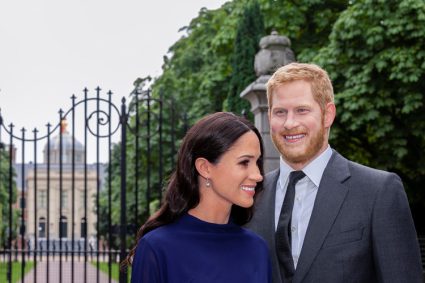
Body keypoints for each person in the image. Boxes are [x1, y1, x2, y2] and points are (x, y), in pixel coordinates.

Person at [245, 63, 423, 283]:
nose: (290, 123)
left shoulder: (378, 192)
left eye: (302, 110)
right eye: (280, 112)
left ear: (328, 115)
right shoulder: (252, 196)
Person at [127, 112, 272, 283]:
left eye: (257, 162)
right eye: (244, 162)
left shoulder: (258, 249)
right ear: (205, 168)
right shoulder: (157, 248)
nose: (258, 175)